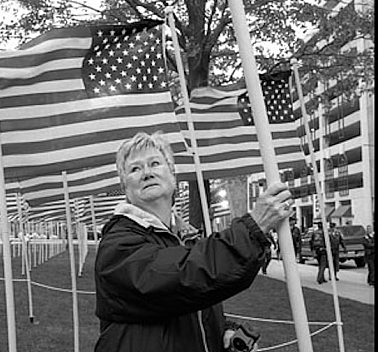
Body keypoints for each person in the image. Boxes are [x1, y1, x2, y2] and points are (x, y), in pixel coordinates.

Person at [93, 132, 295, 352]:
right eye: (135, 168)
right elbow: (182, 278)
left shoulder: (184, 238)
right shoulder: (117, 243)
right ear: (125, 188)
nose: (147, 173)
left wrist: (223, 330)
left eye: (155, 163)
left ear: (173, 176)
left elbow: (190, 304)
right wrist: (253, 228)